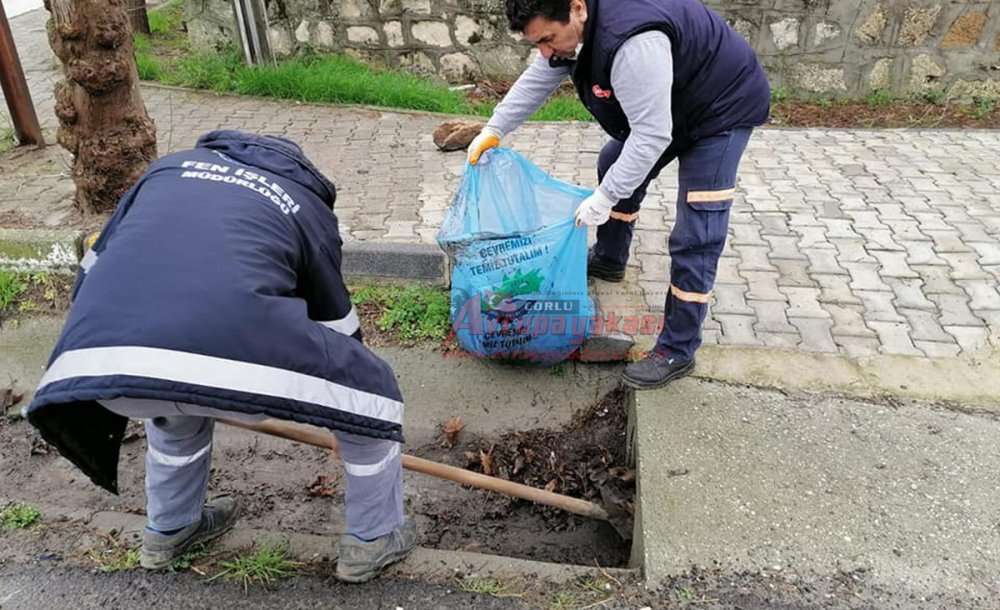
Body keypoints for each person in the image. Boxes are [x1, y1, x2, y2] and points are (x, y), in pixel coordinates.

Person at [26, 130, 415, 583]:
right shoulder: (303, 203)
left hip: (95, 360)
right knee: (374, 398)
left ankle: (170, 529)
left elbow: (91, 270)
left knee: (173, 407)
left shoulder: (164, 171)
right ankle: (374, 538)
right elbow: (338, 327)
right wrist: (346, 412)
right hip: (220, 349)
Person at [468, 0, 770, 389]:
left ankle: (678, 349)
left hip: (721, 107)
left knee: (698, 228)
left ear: (576, 8)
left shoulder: (631, 42)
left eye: (547, 39)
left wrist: (604, 197)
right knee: (616, 162)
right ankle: (610, 258)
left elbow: (651, 136)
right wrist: (494, 128)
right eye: (536, 43)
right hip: (675, 100)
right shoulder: (576, 31)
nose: (545, 51)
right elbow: (540, 76)